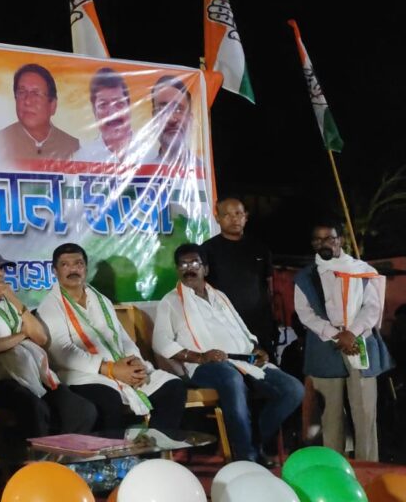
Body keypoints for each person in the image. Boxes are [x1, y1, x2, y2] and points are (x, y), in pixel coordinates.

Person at [154, 243, 303, 464]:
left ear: (205, 269)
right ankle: (246, 455)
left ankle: (252, 443)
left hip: (244, 361)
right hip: (204, 368)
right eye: (183, 265)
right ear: (177, 270)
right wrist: (200, 357)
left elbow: (243, 330)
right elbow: (160, 342)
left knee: (293, 390)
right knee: (231, 377)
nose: (189, 269)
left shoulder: (220, 296)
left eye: (194, 263)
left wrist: (256, 349)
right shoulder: (171, 301)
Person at [0, 249, 96, 453]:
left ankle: (61, 460)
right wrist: (22, 335)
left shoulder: (8, 301)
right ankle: (33, 467)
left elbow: (41, 338)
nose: (0, 274)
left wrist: (14, 299)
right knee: (35, 408)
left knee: (83, 410)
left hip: (33, 375)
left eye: (2, 270)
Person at [38, 243, 186, 431]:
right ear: (55, 271)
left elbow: (122, 338)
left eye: (78, 264)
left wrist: (135, 363)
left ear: (85, 268)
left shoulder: (101, 300)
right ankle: (114, 450)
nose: (73, 269)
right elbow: (63, 352)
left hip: (121, 367)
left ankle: (155, 446)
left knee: (173, 387)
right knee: (109, 399)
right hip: (85, 375)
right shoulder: (50, 306)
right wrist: (110, 369)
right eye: (65, 265)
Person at [294, 221, 389, 461]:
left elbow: (372, 307)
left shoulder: (361, 270)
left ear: (340, 240)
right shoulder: (305, 277)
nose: (323, 244)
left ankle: (368, 467)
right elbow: (305, 314)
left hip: (359, 342)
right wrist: (335, 334)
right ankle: (334, 466)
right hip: (325, 345)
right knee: (330, 415)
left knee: (365, 412)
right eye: (318, 240)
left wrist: (351, 333)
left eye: (329, 238)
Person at [201, 197, 277, 357]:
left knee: (266, 368)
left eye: (238, 213)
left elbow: (269, 286)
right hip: (225, 327)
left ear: (246, 216)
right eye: (227, 215)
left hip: (259, 326)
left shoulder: (260, 248)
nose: (234, 219)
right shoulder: (207, 250)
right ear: (217, 218)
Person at [0, 63, 80, 164]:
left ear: (52, 105)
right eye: (22, 92)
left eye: (36, 94)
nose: (27, 101)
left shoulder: (73, 147)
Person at [73, 67, 137, 164]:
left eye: (119, 104)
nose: (112, 113)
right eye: (103, 105)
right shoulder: (82, 159)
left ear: (129, 107)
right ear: (94, 111)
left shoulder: (151, 152)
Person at [147, 75, 198, 167]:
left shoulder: (204, 170)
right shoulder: (142, 172)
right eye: (163, 110)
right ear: (154, 119)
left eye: (178, 110)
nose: (171, 118)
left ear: (190, 119)